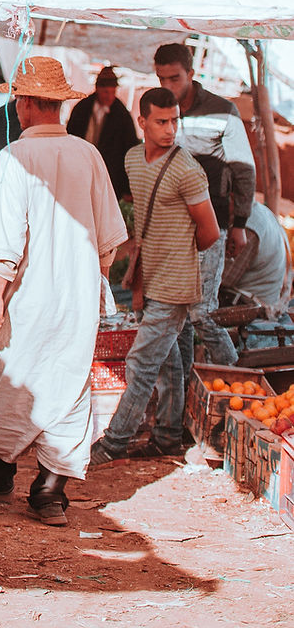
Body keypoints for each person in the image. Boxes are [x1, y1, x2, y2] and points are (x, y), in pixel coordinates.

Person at [0, 57, 127, 526]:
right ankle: (49, 491)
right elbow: (109, 241)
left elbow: (6, 240)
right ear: (58, 105)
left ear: (24, 103)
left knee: (11, 382)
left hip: (27, 296)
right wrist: (95, 284)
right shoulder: (88, 155)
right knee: (69, 383)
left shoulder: (16, 157)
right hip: (78, 295)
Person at [89, 88, 220, 464]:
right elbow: (143, 225)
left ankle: (113, 443)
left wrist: (177, 253)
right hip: (152, 277)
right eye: (161, 121)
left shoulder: (187, 169)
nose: (170, 129)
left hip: (176, 283)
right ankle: (166, 436)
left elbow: (209, 233)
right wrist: (141, 276)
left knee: (142, 363)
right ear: (142, 121)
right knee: (168, 362)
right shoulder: (133, 160)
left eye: (175, 121)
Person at [154, 43, 256, 368]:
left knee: (202, 313)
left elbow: (243, 169)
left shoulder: (222, 110)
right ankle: (184, 396)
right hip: (172, 227)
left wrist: (240, 223)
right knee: (179, 313)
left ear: (191, 74)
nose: (168, 86)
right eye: (161, 79)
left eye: (174, 78)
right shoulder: (159, 110)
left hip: (212, 225)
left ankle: (239, 380)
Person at [66, 66, 139, 200]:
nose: (110, 96)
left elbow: (130, 148)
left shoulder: (122, 114)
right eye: (106, 92)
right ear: (97, 89)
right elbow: (70, 140)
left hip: (110, 175)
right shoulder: (82, 109)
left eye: (113, 92)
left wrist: (127, 187)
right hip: (82, 171)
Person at [221, 200, 293, 318]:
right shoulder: (259, 210)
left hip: (254, 309)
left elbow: (223, 279)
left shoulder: (249, 228)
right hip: (257, 300)